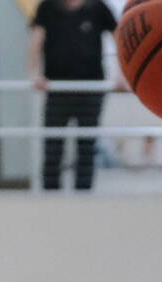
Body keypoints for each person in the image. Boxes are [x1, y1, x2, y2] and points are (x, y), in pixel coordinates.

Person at [28, 0, 115, 192]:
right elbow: (36, 40)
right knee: (52, 147)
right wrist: (35, 73)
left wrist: (123, 76)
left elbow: (118, 36)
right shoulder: (48, 7)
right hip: (57, 89)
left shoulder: (98, 7)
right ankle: (50, 196)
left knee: (86, 147)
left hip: (90, 89)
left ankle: (83, 195)